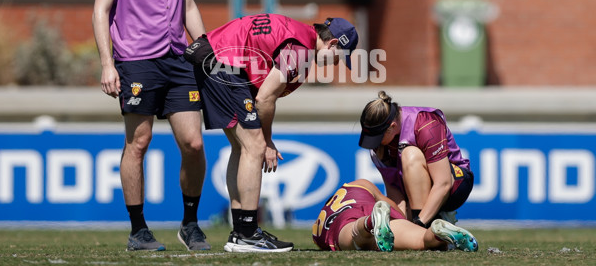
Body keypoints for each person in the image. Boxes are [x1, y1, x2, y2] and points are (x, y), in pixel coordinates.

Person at [92, 0, 209, 251]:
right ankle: (138, 230)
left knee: (193, 143)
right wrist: (107, 64)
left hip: (178, 59)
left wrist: (204, 47)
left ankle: (190, 224)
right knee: (138, 142)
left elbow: (186, 2)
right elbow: (100, 10)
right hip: (136, 61)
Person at [183, 13, 359, 252]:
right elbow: (265, 98)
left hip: (211, 54)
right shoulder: (302, 49)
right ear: (334, 43)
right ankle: (247, 233)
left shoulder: (300, 36)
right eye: (340, 58)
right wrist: (267, 141)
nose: (338, 64)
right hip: (221, 60)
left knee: (242, 148)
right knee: (254, 147)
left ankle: (240, 230)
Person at [358, 91, 474, 229]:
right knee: (399, 228)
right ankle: (432, 226)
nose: (374, 144)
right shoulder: (378, 149)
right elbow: (396, 194)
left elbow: (443, 184)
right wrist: (401, 227)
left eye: (377, 137)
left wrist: (418, 225)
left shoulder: (426, 124)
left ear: (392, 127)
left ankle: (432, 221)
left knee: (409, 153)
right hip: (414, 192)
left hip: (455, 184)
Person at [312, 179, 478, 252]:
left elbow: (327, 240)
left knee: (354, 238)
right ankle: (435, 233)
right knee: (420, 239)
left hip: (340, 222)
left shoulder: (318, 225)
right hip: (368, 200)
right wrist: (403, 221)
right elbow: (388, 203)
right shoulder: (355, 185)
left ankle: (369, 223)